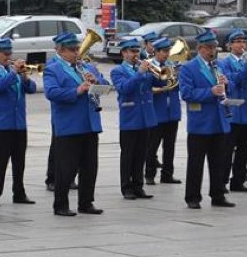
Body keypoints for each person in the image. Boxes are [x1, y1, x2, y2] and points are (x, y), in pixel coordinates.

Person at [43, 31, 110, 216]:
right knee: (66, 168)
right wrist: (77, 90)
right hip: (69, 125)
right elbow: (52, 93)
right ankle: (61, 205)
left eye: (77, 49)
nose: (76, 53)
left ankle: (86, 202)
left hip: (90, 123)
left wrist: (96, 81)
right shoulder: (53, 68)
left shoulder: (85, 66)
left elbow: (106, 85)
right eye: (73, 50)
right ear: (61, 50)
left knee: (90, 166)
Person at [178, 30, 235, 209]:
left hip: (219, 121)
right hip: (200, 123)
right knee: (196, 163)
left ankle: (218, 195)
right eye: (210, 48)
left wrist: (227, 84)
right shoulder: (189, 67)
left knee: (218, 162)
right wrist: (209, 92)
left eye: (215, 48)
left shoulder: (219, 65)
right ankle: (193, 197)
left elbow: (229, 87)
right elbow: (186, 93)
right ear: (200, 48)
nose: (213, 51)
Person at [0, 38, 37, 207]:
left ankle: (19, 193)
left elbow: (32, 89)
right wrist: (13, 73)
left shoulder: (16, 72)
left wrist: (25, 78)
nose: (8, 57)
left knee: (19, 161)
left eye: (10, 54)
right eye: (5, 54)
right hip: (3, 123)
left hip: (19, 123)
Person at [111, 38, 161, 200]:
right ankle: (127, 187)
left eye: (136, 51)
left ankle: (138, 186)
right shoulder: (118, 71)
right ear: (124, 53)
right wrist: (140, 73)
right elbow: (124, 88)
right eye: (132, 51)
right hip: (130, 116)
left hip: (146, 116)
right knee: (128, 155)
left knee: (141, 154)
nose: (135, 54)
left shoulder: (145, 68)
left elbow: (160, 81)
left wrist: (160, 72)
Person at [219, 29, 247, 193]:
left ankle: (238, 181)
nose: (241, 45)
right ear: (230, 45)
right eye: (237, 42)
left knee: (244, 151)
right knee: (227, 151)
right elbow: (232, 81)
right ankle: (221, 182)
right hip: (234, 113)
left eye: (244, 42)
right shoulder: (224, 63)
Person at [145, 37, 182, 185]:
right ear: (157, 52)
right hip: (157, 112)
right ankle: (149, 174)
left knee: (170, 146)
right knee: (152, 146)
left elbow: (178, 87)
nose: (167, 55)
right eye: (164, 52)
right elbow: (151, 86)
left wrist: (178, 75)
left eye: (168, 51)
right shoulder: (149, 66)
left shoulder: (171, 65)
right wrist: (165, 79)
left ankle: (167, 174)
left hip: (172, 112)